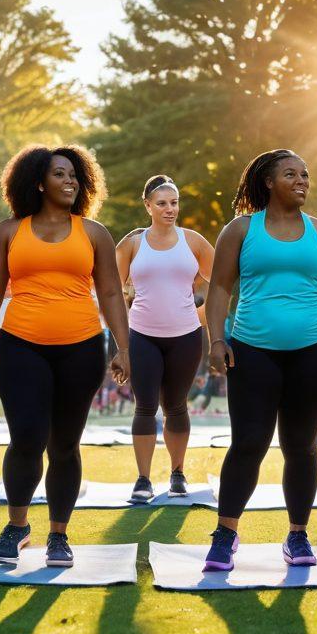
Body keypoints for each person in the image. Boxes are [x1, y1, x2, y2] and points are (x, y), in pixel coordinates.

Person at [0, 145, 129, 568]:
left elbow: (111, 292)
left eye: (75, 175)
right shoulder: (9, 231)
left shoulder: (93, 233)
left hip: (81, 347)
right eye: (60, 174)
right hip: (20, 346)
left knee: (64, 445)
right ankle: (17, 525)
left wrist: (124, 347)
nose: (70, 181)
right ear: (39, 182)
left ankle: (59, 534)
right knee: (26, 438)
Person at [203, 149, 317, 572]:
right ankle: (225, 534)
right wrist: (216, 338)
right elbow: (219, 288)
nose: (302, 180)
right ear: (268, 182)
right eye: (291, 174)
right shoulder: (239, 230)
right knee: (248, 443)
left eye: (306, 174)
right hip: (251, 351)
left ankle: (297, 534)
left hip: (314, 351)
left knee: (301, 446)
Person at [116, 174, 213, 503]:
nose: (170, 209)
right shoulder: (132, 243)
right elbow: (110, 291)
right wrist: (120, 344)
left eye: (174, 203)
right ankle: (143, 479)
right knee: (144, 406)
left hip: (186, 338)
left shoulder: (193, 241)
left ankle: (177, 473)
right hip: (141, 335)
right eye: (162, 203)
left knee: (175, 406)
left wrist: (202, 317)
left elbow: (223, 278)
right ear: (148, 206)